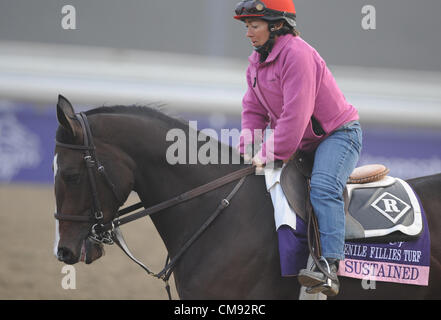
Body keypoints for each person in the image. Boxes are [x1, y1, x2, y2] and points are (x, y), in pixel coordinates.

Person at [234, 0, 362, 296]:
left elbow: (294, 119)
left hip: (338, 136)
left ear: (277, 25)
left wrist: (265, 154)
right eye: (246, 26)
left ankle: (329, 267)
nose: (248, 33)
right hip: (303, 143)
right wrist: (244, 152)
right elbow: (253, 111)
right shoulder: (256, 62)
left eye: (254, 26)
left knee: (323, 186)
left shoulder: (298, 55)